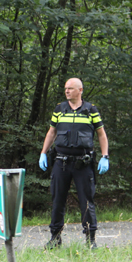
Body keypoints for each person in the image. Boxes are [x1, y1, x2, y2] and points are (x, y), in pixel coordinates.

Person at [38, 78, 110, 249]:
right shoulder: (60, 109)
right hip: (61, 162)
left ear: (80, 90)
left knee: (86, 202)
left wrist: (105, 156)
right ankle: (55, 239)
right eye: (65, 89)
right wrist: (43, 153)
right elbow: (52, 132)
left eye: (70, 88)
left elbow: (101, 134)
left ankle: (90, 240)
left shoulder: (90, 110)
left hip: (83, 164)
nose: (67, 91)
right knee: (57, 200)